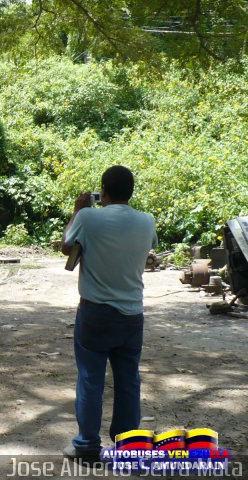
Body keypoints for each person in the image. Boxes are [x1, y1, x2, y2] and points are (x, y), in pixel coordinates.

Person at [61, 165, 158, 461]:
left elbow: (67, 247)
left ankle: (87, 445)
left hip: (96, 314)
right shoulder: (147, 221)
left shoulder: (89, 217)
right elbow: (148, 250)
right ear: (130, 192)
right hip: (132, 314)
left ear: (103, 191)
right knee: (128, 381)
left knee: (91, 378)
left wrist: (78, 210)